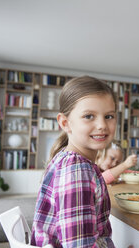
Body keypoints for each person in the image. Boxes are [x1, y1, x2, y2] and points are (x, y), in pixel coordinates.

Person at [31, 76, 116, 247]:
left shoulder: (69, 158)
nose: (102, 125)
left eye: (108, 116)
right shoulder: (77, 169)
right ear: (65, 123)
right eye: (89, 116)